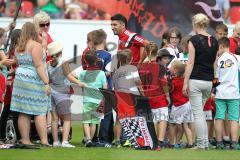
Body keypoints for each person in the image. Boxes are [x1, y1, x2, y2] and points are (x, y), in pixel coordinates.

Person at [10, 22, 51, 147]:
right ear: (34, 31)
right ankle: (44, 141)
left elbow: (16, 62)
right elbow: (38, 65)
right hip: (33, 78)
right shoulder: (35, 45)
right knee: (39, 110)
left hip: (20, 78)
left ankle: (25, 140)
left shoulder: (18, 46)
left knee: (23, 112)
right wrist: (46, 82)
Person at [183, 13, 218, 149]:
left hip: (196, 80)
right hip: (209, 82)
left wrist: (185, 83)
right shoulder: (214, 40)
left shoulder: (194, 40)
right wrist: (215, 85)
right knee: (201, 114)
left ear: (195, 24)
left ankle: (202, 144)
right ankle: (203, 143)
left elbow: (190, 62)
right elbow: (215, 64)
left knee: (198, 114)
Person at [47, 41, 85, 148]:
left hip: (52, 93)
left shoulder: (48, 64)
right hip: (63, 93)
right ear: (60, 52)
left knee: (54, 119)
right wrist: (79, 82)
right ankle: (64, 141)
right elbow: (69, 77)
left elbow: (49, 79)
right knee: (67, 118)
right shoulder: (64, 63)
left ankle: (55, 142)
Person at [214, 37, 240, 150]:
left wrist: (214, 90)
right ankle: (234, 143)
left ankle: (219, 142)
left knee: (219, 117)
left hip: (220, 94)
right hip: (234, 94)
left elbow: (215, 79)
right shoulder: (237, 58)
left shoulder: (218, 60)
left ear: (220, 46)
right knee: (234, 118)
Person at [79, 51, 108, 147]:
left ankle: (88, 140)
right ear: (96, 60)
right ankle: (90, 139)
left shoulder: (83, 73)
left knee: (86, 121)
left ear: (85, 61)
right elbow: (105, 87)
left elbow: (81, 86)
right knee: (94, 122)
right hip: (99, 101)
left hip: (87, 100)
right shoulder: (102, 73)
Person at [0, 29, 21, 142]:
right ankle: (19, 137)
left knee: (7, 110)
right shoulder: (16, 50)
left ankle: (2, 136)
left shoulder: (10, 50)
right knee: (15, 111)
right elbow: (11, 65)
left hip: (9, 82)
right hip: (13, 83)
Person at [169, 60, 194, 148]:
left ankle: (173, 143)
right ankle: (190, 143)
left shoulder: (173, 81)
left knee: (173, 124)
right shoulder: (185, 81)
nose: (170, 68)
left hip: (178, 105)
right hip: (187, 104)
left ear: (175, 70)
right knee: (186, 125)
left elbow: (169, 91)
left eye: (171, 67)